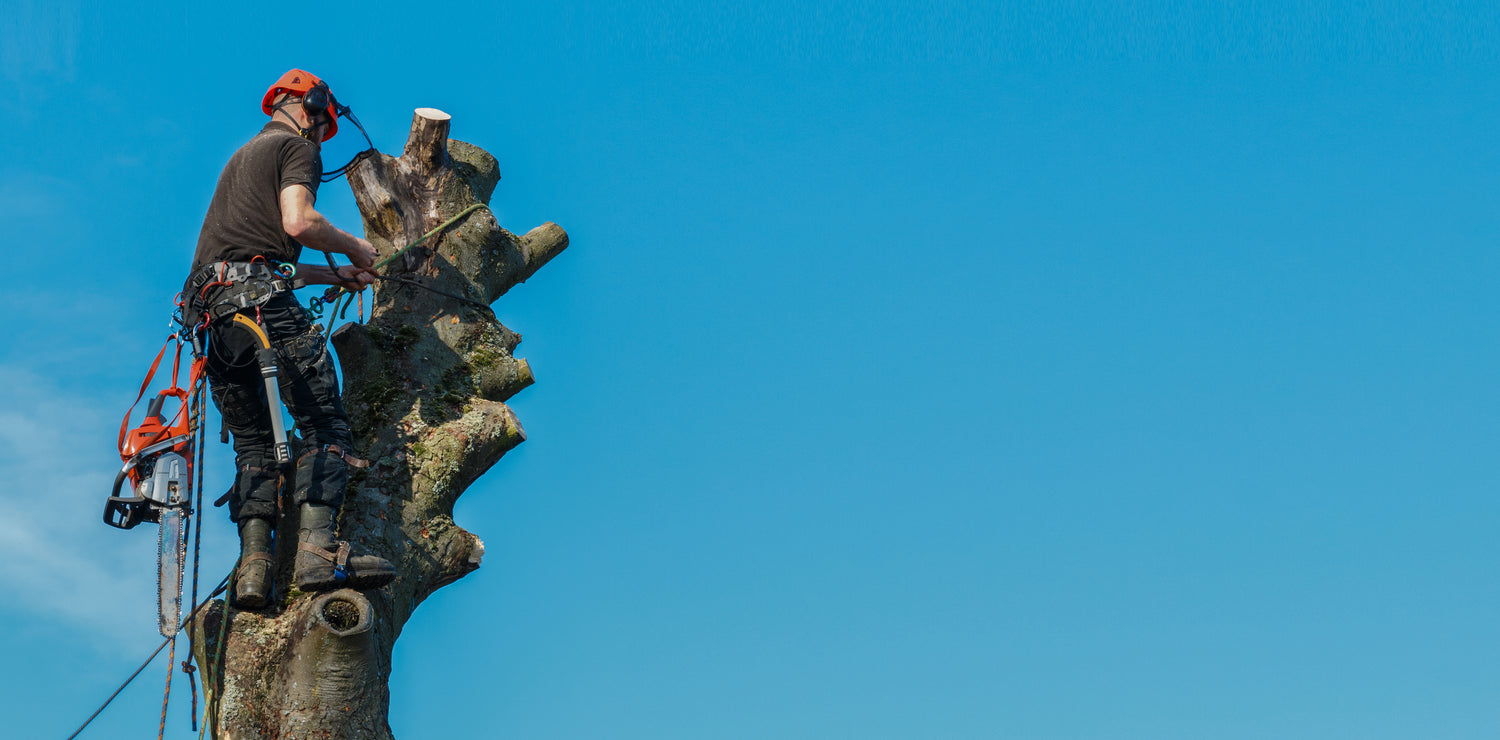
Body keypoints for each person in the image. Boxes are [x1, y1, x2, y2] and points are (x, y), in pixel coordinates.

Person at [183, 68, 394, 609]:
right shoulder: (296, 147)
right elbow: (299, 224)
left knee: (254, 444)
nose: (322, 136)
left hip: (212, 316)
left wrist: (332, 276)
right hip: (259, 303)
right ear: (311, 105)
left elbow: (258, 260)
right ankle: (316, 554)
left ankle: (253, 569)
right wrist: (355, 249)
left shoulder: (242, 157)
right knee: (324, 423)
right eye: (322, 125)